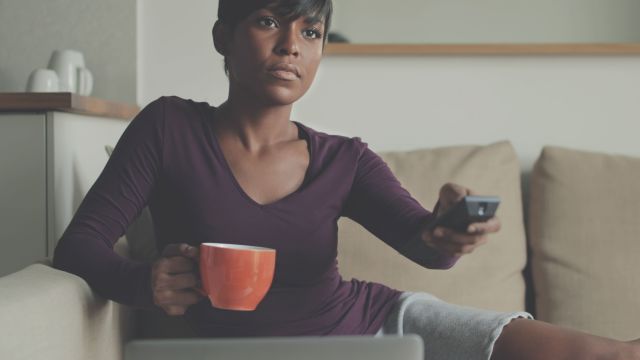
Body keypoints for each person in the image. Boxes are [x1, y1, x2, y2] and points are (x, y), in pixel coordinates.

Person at [53, 0, 640, 359]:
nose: (290, 47)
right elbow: (78, 247)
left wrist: (449, 231)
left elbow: (425, 246)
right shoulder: (168, 128)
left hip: (378, 329)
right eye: (267, 21)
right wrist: (142, 282)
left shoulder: (344, 159)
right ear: (222, 37)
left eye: (311, 33)